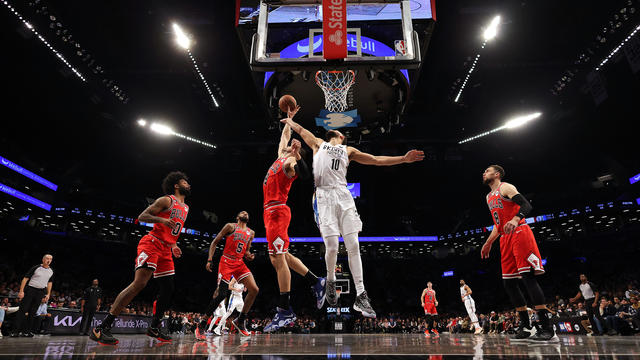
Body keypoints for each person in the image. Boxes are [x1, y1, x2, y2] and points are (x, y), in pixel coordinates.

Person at [281, 113, 424, 318]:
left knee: (354, 245)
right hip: (323, 195)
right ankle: (330, 281)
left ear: (341, 136)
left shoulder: (348, 150)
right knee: (331, 246)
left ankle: (361, 295)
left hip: (343, 195)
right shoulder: (318, 143)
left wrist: (403, 159)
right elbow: (302, 132)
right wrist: (291, 121)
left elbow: (376, 160)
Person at [90, 172, 190, 345]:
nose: (188, 184)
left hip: (166, 249)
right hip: (152, 243)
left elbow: (173, 231)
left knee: (168, 288)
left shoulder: (186, 207)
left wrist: (174, 245)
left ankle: (154, 327)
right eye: (184, 182)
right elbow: (142, 216)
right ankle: (101, 328)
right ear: (176, 185)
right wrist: (161, 220)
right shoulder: (167, 200)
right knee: (139, 284)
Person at [262, 114, 326, 332]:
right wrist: (289, 120)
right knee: (284, 256)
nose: (289, 145)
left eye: (292, 148)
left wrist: (298, 156)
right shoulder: (281, 155)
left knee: (277, 258)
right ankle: (317, 281)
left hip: (277, 211)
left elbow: (305, 175)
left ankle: (284, 309)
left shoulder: (289, 161)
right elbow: (284, 136)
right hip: (270, 212)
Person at [480, 165, 557, 342]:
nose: (484, 173)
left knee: (528, 278)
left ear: (497, 174)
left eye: (488, 171)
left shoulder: (505, 187)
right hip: (505, 238)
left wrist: (516, 219)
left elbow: (526, 205)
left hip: (520, 232)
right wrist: (488, 242)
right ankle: (526, 326)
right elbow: (498, 225)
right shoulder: (488, 197)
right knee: (509, 283)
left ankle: (546, 327)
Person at [198, 211, 259, 338]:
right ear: (237, 217)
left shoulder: (251, 233)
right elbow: (214, 242)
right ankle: (202, 324)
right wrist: (210, 259)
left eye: (247, 212)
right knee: (221, 295)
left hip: (239, 263)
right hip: (226, 261)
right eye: (242, 212)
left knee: (254, 289)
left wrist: (249, 256)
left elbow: (246, 251)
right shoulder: (230, 227)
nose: (245, 213)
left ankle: (240, 321)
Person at [12, 254, 54, 337]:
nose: (48, 260)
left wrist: (48, 294)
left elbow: (50, 283)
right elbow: (25, 278)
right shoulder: (36, 268)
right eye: (47, 258)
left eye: (50, 259)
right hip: (31, 289)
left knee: (33, 312)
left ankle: (27, 331)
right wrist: (21, 291)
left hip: (41, 292)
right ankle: (15, 331)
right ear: (43, 259)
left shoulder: (51, 270)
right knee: (23, 310)